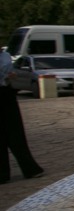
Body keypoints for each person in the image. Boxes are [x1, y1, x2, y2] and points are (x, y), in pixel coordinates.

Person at [1, 48, 44, 184]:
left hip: (6, 93)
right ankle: (2, 174)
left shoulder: (5, 55)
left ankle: (29, 168)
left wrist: (10, 76)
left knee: (16, 132)